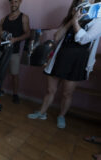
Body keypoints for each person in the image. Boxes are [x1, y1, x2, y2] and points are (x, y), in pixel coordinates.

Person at [28, 0, 101, 129]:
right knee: (51, 89)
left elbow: (84, 40)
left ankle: (61, 115)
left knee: (67, 93)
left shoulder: (98, 20)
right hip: (60, 57)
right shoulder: (68, 19)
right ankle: (42, 112)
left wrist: (76, 23)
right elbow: (56, 37)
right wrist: (71, 20)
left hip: (77, 60)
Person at [0, 0, 30, 104]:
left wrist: (15, 40)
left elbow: (28, 34)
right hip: (1, 50)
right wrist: (1, 34)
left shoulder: (24, 17)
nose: (13, 4)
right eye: (11, 2)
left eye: (16, 2)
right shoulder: (4, 19)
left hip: (14, 51)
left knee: (14, 74)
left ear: (20, 2)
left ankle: (15, 94)